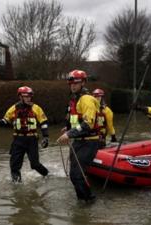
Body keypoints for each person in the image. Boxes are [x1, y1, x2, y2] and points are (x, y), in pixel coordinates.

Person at [56, 69, 100, 202]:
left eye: (76, 83)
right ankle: (82, 200)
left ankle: (88, 201)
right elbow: (76, 120)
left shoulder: (86, 99)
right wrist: (68, 128)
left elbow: (88, 124)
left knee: (76, 175)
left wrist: (69, 133)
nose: (73, 85)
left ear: (83, 83)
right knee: (73, 175)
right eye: (71, 83)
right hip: (78, 141)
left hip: (89, 142)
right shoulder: (74, 100)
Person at [0, 86, 49, 182]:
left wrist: (45, 137)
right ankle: (17, 185)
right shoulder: (13, 108)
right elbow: (6, 120)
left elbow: (44, 122)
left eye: (30, 96)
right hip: (18, 140)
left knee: (35, 164)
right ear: (20, 97)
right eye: (26, 96)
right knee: (14, 165)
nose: (28, 98)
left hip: (32, 140)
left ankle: (46, 174)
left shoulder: (36, 108)